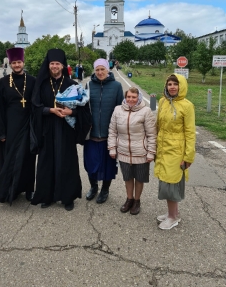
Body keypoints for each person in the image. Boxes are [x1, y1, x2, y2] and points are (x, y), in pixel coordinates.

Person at [31, 48, 91, 211]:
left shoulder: (72, 85)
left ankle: (67, 197)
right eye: (52, 63)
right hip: (47, 128)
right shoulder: (42, 84)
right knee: (47, 162)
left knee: (67, 162)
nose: (54, 66)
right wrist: (50, 110)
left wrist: (71, 111)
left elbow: (84, 109)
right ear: (48, 65)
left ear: (63, 65)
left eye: (57, 63)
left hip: (66, 129)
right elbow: (35, 107)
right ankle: (46, 195)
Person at [0, 47, 36, 204]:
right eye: (14, 62)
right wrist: (0, 133)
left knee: (28, 159)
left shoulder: (32, 80)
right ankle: (9, 190)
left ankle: (28, 189)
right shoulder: (3, 82)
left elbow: (38, 105)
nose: (16, 65)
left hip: (28, 126)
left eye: (19, 62)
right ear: (10, 64)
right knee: (9, 159)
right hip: (10, 127)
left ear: (23, 62)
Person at [155, 74, 196, 230]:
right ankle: (173, 213)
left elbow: (190, 133)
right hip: (163, 148)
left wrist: (188, 156)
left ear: (182, 86)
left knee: (171, 184)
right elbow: (157, 125)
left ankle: (173, 217)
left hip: (176, 151)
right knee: (164, 181)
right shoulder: (162, 101)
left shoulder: (187, 106)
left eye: (175, 84)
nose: (172, 87)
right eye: (169, 84)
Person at [108, 87, 157, 215]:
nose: (131, 99)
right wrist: (112, 148)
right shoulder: (118, 110)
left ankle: (137, 201)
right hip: (123, 151)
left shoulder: (146, 111)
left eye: (134, 97)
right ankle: (129, 199)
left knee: (139, 178)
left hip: (141, 152)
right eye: (128, 97)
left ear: (138, 98)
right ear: (125, 97)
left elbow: (152, 134)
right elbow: (112, 131)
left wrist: (151, 152)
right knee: (128, 177)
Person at [84, 58, 123, 203]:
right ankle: (93, 187)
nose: (100, 72)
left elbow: (120, 109)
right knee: (91, 163)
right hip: (91, 133)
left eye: (103, 69)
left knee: (108, 165)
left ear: (108, 70)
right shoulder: (88, 85)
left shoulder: (116, 86)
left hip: (109, 134)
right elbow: (83, 106)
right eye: (97, 70)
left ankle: (105, 189)